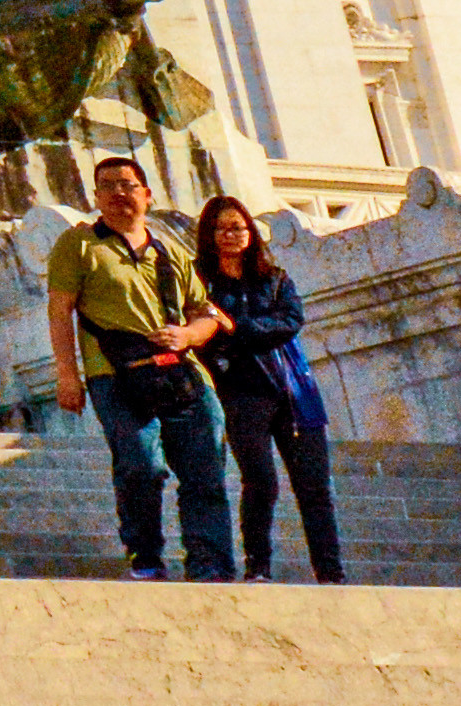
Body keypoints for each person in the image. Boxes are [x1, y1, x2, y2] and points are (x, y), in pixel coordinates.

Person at [41, 150, 227, 578]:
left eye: (126, 185)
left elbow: (206, 313)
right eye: (107, 186)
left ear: (146, 194)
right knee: (141, 465)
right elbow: (59, 310)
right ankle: (144, 553)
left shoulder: (170, 252)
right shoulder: (79, 244)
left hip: (182, 374)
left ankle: (210, 563)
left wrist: (188, 335)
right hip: (116, 376)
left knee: (206, 472)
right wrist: (68, 376)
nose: (117, 194)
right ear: (96, 196)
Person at [189, 191, 344, 586]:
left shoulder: (274, 279)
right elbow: (205, 334)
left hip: (293, 390)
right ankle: (258, 565)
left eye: (238, 227)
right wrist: (232, 336)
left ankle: (330, 570)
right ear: (208, 234)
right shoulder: (199, 281)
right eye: (221, 228)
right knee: (260, 482)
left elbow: (290, 321)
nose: (231, 235)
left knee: (314, 486)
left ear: (251, 233)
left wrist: (236, 329)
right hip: (241, 393)